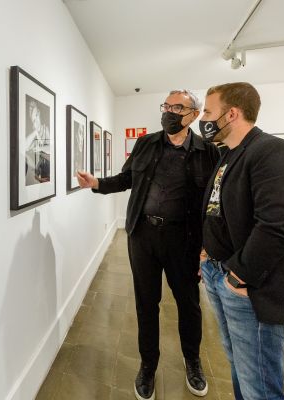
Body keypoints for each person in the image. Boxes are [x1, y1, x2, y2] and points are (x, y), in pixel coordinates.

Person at [77, 90, 220, 400]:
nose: (168, 111)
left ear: (193, 114)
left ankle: (192, 361)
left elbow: (214, 201)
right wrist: (98, 184)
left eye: (176, 107)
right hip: (143, 236)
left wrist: (211, 243)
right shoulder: (146, 143)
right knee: (146, 303)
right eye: (166, 106)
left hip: (184, 240)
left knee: (188, 303)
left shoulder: (207, 151)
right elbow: (126, 178)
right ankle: (147, 365)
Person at [198, 82, 284, 400]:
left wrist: (238, 278)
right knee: (240, 367)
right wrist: (207, 251)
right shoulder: (229, 155)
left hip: (250, 288)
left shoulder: (272, 152)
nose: (203, 118)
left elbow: (277, 227)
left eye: (208, 112)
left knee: (259, 386)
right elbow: (219, 210)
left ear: (231, 114)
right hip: (219, 272)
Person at [25, 99, 51, 185]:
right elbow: (25, 147)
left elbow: (52, 148)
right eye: (33, 120)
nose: (36, 121)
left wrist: (40, 148)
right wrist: (35, 132)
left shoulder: (45, 129)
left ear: (39, 113)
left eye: (36, 116)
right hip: (36, 173)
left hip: (46, 171)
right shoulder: (33, 132)